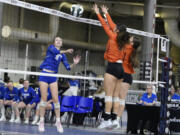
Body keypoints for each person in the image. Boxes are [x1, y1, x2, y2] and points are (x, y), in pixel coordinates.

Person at [92, 4, 132, 129]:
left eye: (115, 29)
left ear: (118, 31)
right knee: (115, 96)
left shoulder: (113, 36)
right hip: (122, 70)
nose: (114, 28)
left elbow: (105, 25)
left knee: (108, 96)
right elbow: (112, 24)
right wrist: (106, 13)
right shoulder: (124, 40)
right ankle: (115, 119)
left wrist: (98, 13)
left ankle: (106, 119)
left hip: (112, 67)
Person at [38, 37, 81, 132]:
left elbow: (68, 68)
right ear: (54, 43)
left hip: (53, 76)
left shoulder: (63, 55)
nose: (58, 41)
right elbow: (57, 52)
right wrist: (66, 51)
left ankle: (58, 122)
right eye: (56, 40)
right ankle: (41, 121)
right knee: (44, 99)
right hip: (44, 74)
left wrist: (74, 63)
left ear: (61, 44)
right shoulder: (51, 48)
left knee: (56, 99)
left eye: (60, 40)